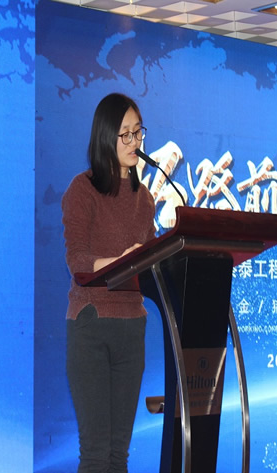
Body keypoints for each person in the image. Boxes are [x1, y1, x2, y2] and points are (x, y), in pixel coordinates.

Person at [62, 92, 156, 473]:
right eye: (126, 134)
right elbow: (78, 261)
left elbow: (151, 263)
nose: (135, 142)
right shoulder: (82, 189)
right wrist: (122, 261)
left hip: (132, 327)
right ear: (106, 137)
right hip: (92, 325)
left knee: (119, 455)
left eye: (139, 132)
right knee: (97, 454)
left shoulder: (145, 199)